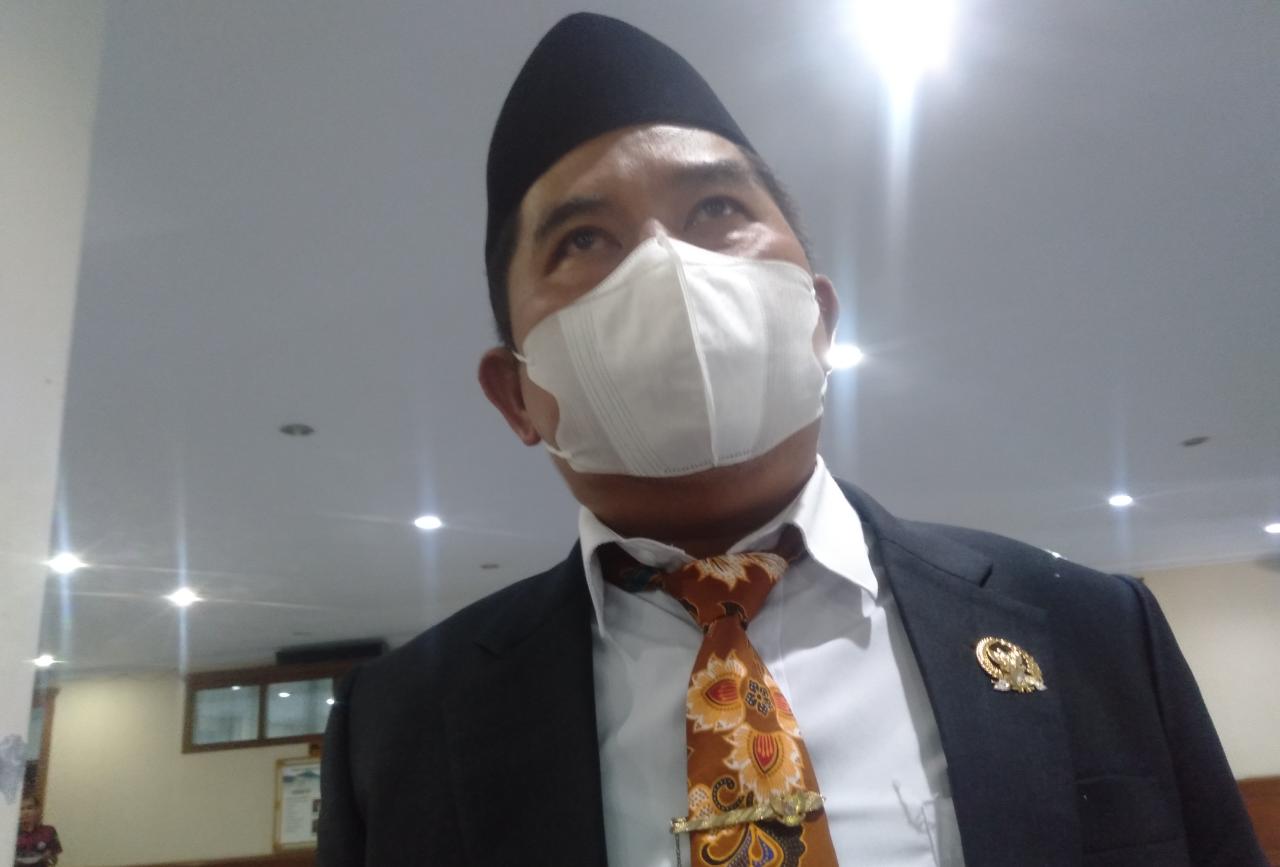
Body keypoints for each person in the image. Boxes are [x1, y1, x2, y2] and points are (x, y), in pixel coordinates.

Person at [318, 13, 1266, 867]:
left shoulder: (1093, 631)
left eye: (716, 210)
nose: (667, 269)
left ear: (819, 319)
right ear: (516, 394)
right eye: (585, 241)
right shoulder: (398, 732)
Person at [14, 794, 61, 867]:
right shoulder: (10, 834)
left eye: (29, 808)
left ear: (37, 810)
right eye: (21, 809)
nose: (25, 812)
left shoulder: (49, 831)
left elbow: (54, 861)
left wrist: (49, 857)